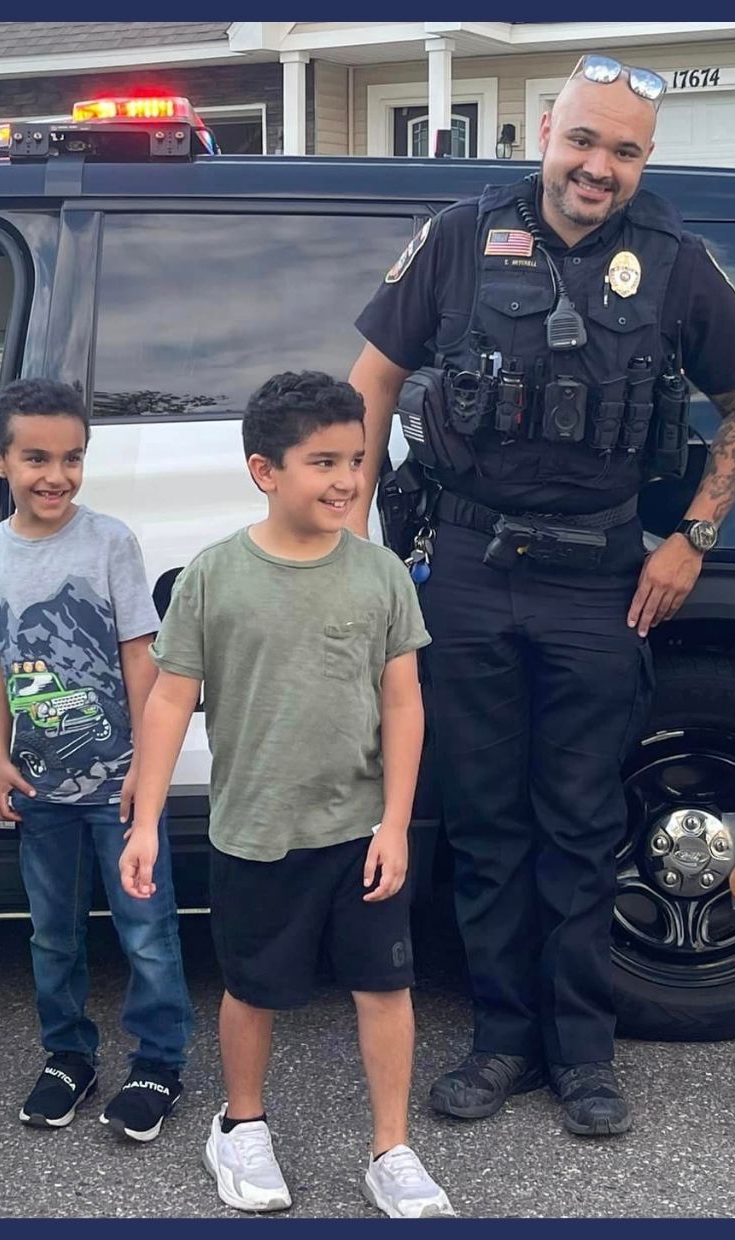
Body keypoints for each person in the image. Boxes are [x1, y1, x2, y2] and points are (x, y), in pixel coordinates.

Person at [345, 55, 735, 1135]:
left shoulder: (676, 262)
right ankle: (500, 1043)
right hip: (471, 573)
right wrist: (352, 540)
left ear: (643, 161)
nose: (598, 166)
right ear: (546, 130)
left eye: (623, 151)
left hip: (602, 584)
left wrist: (691, 537)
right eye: (583, 141)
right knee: (487, 824)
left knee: (579, 827)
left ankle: (583, 1055)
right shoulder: (457, 235)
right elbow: (372, 378)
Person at [119, 372, 453, 1217]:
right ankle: (241, 1125)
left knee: (386, 987)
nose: (346, 479)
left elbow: (405, 701)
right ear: (265, 471)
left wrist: (399, 822)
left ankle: (392, 1147)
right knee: (255, 988)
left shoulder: (380, 576)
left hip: (361, 830)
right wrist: (147, 821)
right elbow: (168, 697)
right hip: (256, 832)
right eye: (322, 462)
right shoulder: (215, 577)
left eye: (356, 459)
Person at [0, 378, 194, 1140]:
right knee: (51, 931)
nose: (55, 475)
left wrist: (143, 766)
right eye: (35, 458)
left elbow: (138, 654)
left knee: (146, 928)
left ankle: (159, 1061)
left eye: (72, 458)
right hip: (39, 784)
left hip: (117, 782)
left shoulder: (109, 542)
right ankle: (68, 1054)